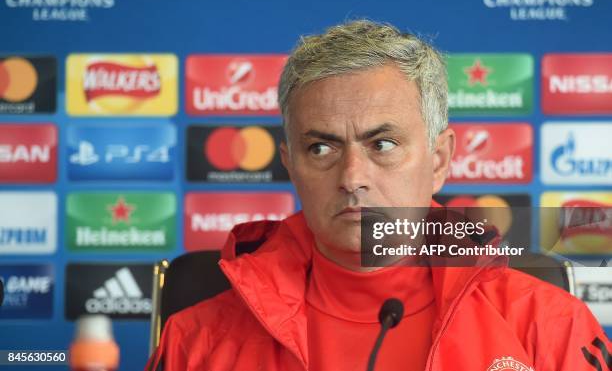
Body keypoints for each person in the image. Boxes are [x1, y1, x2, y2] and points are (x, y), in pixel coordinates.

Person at [145, 20, 610, 371]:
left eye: (382, 144)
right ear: (290, 164)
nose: (352, 176)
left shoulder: (549, 326)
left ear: (440, 160)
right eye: (321, 147)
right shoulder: (196, 341)